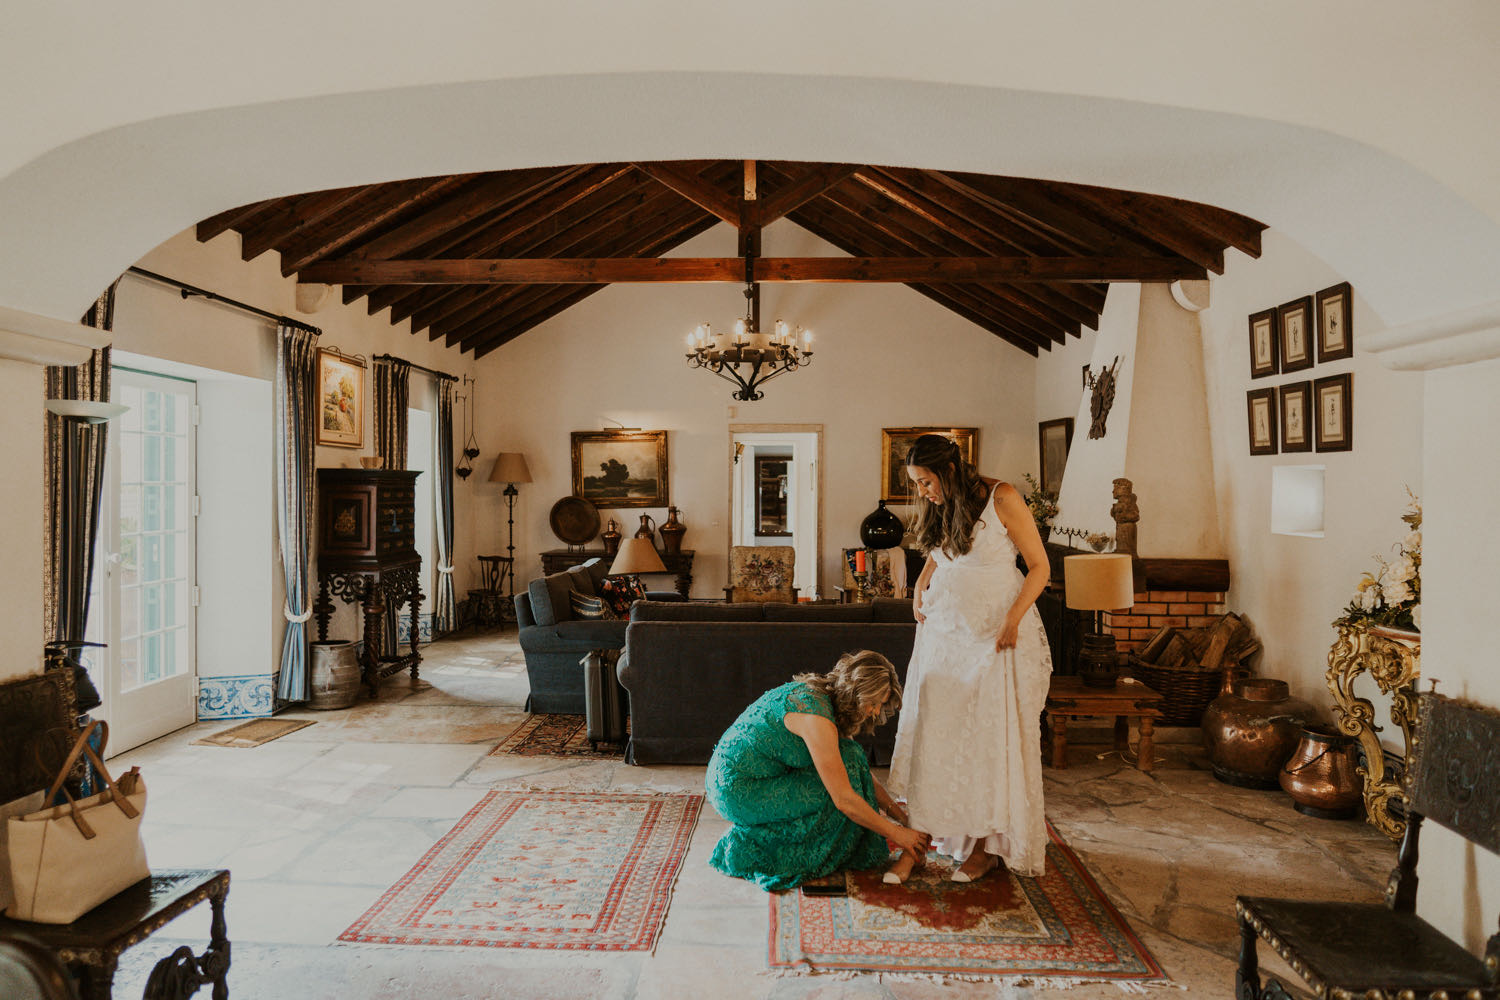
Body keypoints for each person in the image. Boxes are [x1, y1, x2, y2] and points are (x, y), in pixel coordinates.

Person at [885, 434, 1054, 884]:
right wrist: (921, 583)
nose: (922, 491)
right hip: (945, 634)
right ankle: (918, 842)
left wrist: (1013, 619)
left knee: (985, 738)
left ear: (949, 471)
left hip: (994, 634)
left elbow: (1040, 567)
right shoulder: (943, 502)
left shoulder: (1003, 498)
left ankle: (984, 848)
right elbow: (942, 551)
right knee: (934, 734)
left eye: (925, 481)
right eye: (917, 483)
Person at [705, 650, 930, 891]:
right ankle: (747, 848)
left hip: (732, 777)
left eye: (881, 705)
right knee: (840, 798)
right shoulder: (817, 719)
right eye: (874, 703)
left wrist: (902, 818)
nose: (876, 712)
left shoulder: (826, 697)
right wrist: (897, 834)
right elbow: (844, 799)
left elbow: (859, 770)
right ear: (857, 693)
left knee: (851, 758)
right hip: (737, 790)